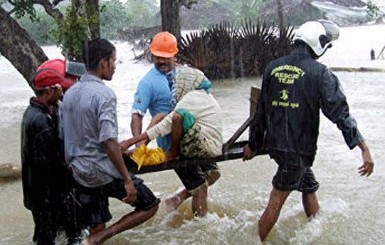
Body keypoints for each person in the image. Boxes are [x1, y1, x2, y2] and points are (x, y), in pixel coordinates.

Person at [243, 20, 375, 241]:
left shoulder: (273, 67)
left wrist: (253, 144)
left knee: (308, 186)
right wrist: (364, 148)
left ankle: (315, 230)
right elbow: (340, 114)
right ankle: (254, 240)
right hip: (298, 151)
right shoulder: (320, 73)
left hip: (277, 146)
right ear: (319, 43)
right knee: (275, 203)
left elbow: (261, 112)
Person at [60, 38, 160, 245]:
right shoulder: (104, 94)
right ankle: (98, 239)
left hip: (77, 171)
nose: (115, 66)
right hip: (100, 172)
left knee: (96, 219)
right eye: (114, 61)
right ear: (103, 62)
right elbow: (108, 141)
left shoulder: (69, 93)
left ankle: (95, 236)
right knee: (150, 204)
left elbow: (70, 135)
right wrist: (127, 180)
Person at [130, 31, 221, 216]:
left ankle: (176, 198)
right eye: (157, 58)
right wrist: (140, 147)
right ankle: (199, 230)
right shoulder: (148, 82)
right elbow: (136, 115)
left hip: (194, 136)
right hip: (172, 144)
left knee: (213, 174)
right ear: (151, 55)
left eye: (166, 58)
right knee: (200, 187)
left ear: (175, 55)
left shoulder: (185, 75)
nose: (162, 62)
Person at [21, 67, 74, 244]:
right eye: (60, 88)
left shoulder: (32, 112)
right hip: (45, 195)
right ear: (50, 90)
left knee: (44, 234)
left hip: (34, 191)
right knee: (47, 237)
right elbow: (49, 162)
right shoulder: (42, 121)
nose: (62, 92)